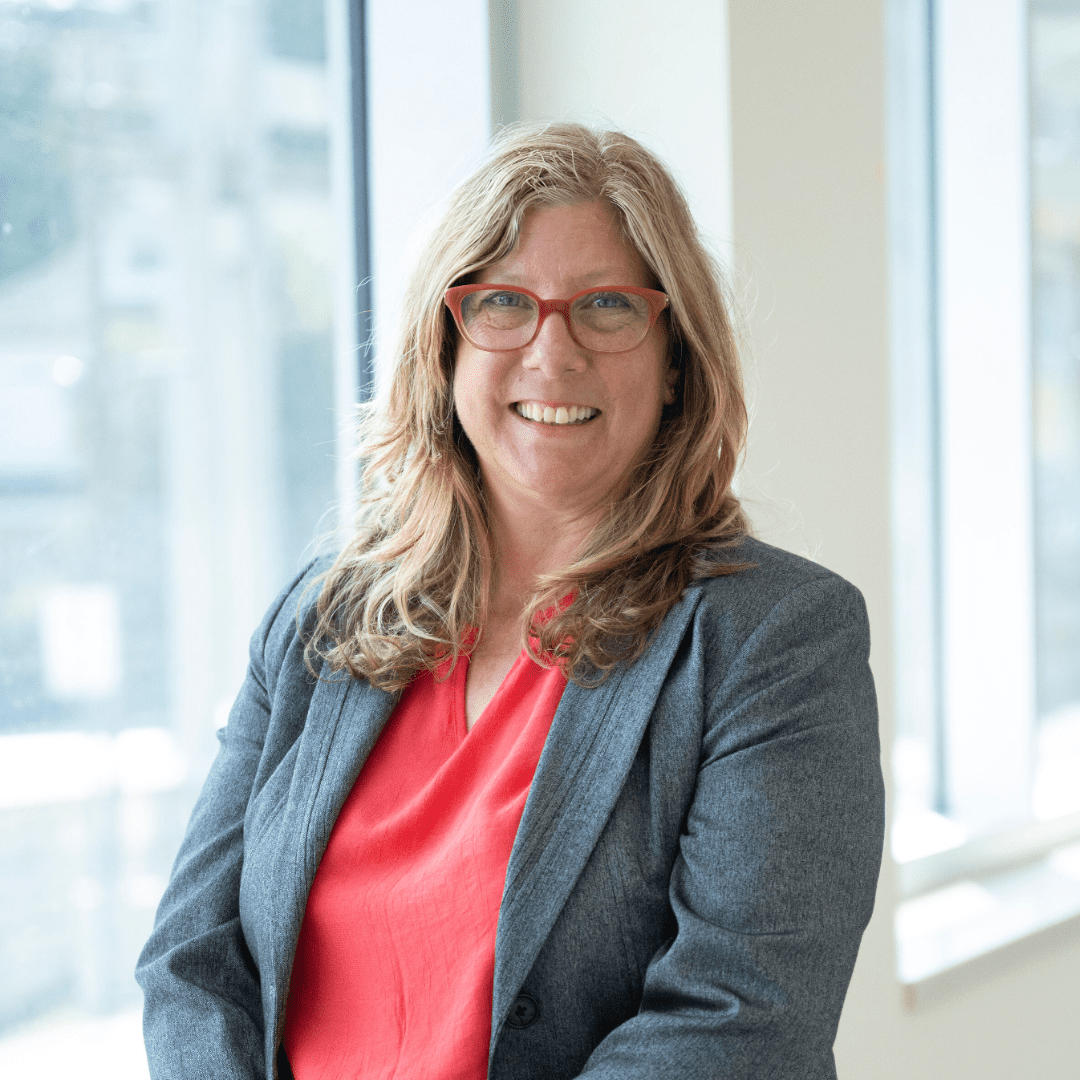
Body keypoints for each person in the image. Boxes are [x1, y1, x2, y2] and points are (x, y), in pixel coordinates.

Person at [136, 123, 884, 1080]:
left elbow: (739, 1022)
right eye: (502, 304)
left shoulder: (772, 638)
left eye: (608, 307)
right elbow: (191, 962)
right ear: (444, 354)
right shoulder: (319, 623)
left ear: (675, 364)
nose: (552, 352)